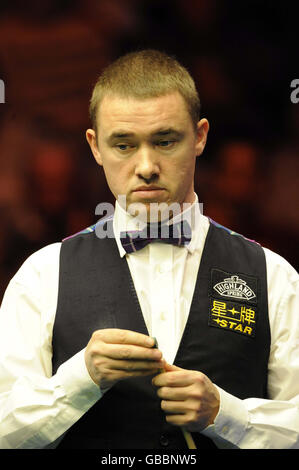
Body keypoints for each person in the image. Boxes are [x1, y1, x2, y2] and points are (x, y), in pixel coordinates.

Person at [0, 50, 298, 450]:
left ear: (200, 136)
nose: (146, 166)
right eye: (123, 145)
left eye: (165, 141)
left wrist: (227, 415)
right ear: (95, 146)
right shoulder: (42, 274)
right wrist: (79, 380)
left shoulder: (273, 275)